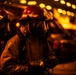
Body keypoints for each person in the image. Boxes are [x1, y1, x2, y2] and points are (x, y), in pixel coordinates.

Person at [0, 5, 58, 75]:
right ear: (28, 23)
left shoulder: (42, 40)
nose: (42, 27)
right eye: (40, 24)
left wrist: (52, 60)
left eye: (43, 24)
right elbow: (6, 67)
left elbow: (50, 56)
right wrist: (28, 69)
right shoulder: (15, 42)